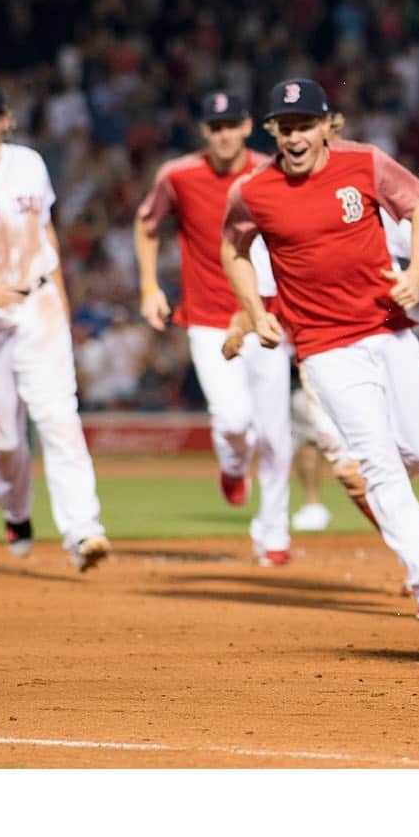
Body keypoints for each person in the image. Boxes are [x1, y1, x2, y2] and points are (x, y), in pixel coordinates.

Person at [221, 78, 419, 622]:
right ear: (274, 131)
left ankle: (369, 469)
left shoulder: (366, 163)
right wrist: (256, 314)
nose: (296, 136)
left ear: (328, 124)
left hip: (389, 329)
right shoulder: (254, 190)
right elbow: (233, 251)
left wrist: (416, 275)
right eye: (286, 127)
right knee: (381, 464)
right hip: (325, 346)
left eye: (306, 125)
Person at [135, 91, 293, 566]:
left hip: (267, 315)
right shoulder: (177, 174)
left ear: (248, 126)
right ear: (204, 131)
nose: (223, 133)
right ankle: (230, 466)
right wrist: (148, 288)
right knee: (233, 420)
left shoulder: (273, 169)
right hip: (205, 318)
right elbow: (146, 225)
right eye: (215, 126)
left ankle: (274, 533)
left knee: (275, 431)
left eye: (231, 124)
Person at [0, 82, 110, 571]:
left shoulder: (30, 163)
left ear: (6, 119)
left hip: (39, 306)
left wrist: (59, 296)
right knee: (7, 442)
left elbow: (46, 231)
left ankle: (84, 532)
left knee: (60, 418)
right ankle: (16, 512)